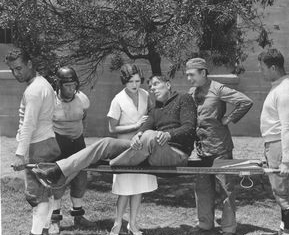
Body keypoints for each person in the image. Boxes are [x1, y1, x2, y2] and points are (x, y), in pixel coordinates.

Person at [33, 75, 196, 194]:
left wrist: (168, 135)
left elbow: (189, 128)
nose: (152, 89)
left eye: (156, 84)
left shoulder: (184, 98)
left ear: (168, 85)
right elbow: (143, 129)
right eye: (151, 87)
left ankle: (117, 163)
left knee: (150, 135)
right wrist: (137, 136)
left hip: (175, 153)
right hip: (147, 150)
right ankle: (59, 170)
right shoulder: (156, 110)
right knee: (107, 142)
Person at [186, 58, 253, 235]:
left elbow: (245, 102)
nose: (189, 79)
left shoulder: (219, 88)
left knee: (226, 188)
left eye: (192, 74)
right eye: (187, 75)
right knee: (202, 188)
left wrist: (228, 118)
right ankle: (205, 224)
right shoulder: (192, 92)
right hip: (201, 149)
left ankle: (229, 228)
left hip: (220, 147)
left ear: (203, 73)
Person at [5, 48, 61, 235]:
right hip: (47, 142)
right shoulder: (42, 83)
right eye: (12, 70)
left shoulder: (34, 90)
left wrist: (21, 154)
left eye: (19, 68)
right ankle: (43, 231)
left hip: (39, 146)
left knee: (36, 195)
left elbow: (28, 125)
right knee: (44, 192)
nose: (16, 73)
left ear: (30, 64)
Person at [257, 49, 289, 235]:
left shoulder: (284, 90)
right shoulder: (279, 87)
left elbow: (287, 128)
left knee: (287, 196)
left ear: (273, 67)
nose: (261, 72)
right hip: (273, 144)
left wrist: (285, 160)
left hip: (280, 144)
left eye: (262, 68)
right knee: (281, 194)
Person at [107, 64, 157, 235]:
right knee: (124, 188)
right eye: (130, 82)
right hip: (124, 147)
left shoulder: (145, 95)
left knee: (138, 188)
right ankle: (117, 223)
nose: (135, 85)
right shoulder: (117, 99)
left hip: (142, 148)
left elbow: (152, 117)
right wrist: (135, 125)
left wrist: (143, 129)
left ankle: (133, 223)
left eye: (137, 81)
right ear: (124, 81)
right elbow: (112, 128)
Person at [50, 66, 96, 234]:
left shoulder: (82, 99)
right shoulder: (50, 101)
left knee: (80, 179)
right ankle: (54, 219)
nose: (71, 89)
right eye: (67, 85)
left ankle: (78, 216)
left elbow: (84, 117)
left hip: (78, 142)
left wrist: (78, 135)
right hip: (58, 142)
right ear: (59, 85)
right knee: (58, 181)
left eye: (74, 85)